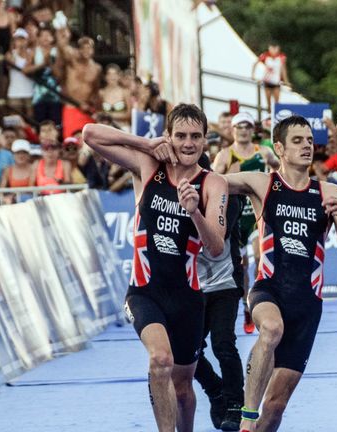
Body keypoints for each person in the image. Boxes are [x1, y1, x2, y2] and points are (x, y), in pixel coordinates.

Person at [82, 104, 228, 432]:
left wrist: (194, 212)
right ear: (168, 137)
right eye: (180, 136)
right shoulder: (148, 165)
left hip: (188, 300)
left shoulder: (213, 184)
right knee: (159, 360)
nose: (187, 143)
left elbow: (216, 248)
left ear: (206, 141)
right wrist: (145, 144)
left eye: (195, 137)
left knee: (182, 388)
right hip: (144, 292)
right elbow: (90, 134)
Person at [223, 115, 337, 432]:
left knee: (275, 408)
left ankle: (257, 422)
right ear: (280, 149)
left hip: (307, 306)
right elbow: (213, 181)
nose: (306, 147)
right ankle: (246, 418)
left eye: (310, 141)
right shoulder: (263, 184)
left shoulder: (330, 192)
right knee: (271, 329)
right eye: (297, 141)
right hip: (268, 290)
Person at [213, 111, 280, 334]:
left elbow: (280, 169)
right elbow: (211, 183)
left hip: (257, 215)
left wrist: (275, 187)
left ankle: (264, 298)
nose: (243, 130)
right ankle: (246, 307)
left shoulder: (264, 152)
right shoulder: (225, 155)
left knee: (260, 255)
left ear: (253, 130)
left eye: (247, 126)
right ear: (233, 130)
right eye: (239, 127)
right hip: (235, 218)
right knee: (240, 268)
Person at [194, 156, 245, 431]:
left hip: (224, 284)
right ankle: (215, 390)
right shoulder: (172, 195)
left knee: (223, 344)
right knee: (185, 351)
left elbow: (214, 237)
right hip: (193, 287)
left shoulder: (226, 196)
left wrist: (191, 210)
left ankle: (236, 404)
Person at [57, 34, 102, 138]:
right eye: (83, 48)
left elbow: (95, 90)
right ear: (79, 50)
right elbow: (63, 48)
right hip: (71, 106)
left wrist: (93, 105)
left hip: (87, 109)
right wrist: (62, 34)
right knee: (71, 139)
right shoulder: (71, 62)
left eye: (89, 48)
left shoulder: (96, 68)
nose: (86, 51)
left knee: (89, 140)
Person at [251, 43, 289, 112]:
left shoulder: (281, 57)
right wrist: (253, 75)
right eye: (272, 48)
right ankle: (269, 117)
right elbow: (255, 63)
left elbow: (283, 69)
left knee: (277, 103)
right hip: (267, 81)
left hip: (276, 81)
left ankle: (276, 117)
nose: (274, 50)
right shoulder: (265, 55)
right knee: (268, 103)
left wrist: (286, 80)